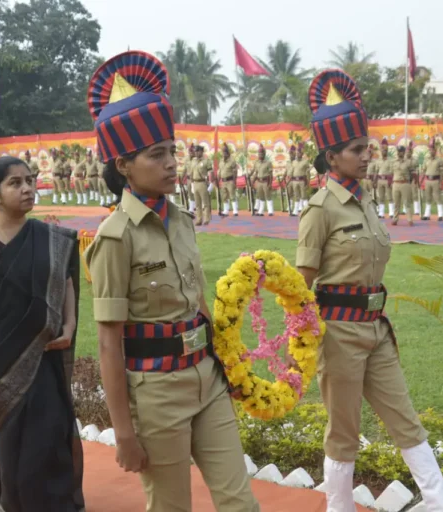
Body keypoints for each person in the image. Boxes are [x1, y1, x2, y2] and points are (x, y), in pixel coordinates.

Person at [84, 50, 259, 512]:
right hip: (156, 394)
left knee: (241, 503)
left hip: (207, 379)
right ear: (124, 165)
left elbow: (197, 300)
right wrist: (123, 432)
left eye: (171, 152)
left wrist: (230, 366)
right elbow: (108, 342)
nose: (170, 164)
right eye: (156, 155)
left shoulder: (181, 219)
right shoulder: (114, 238)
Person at [297, 68, 443, 512]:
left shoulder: (365, 199)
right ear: (332, 157)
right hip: (339, 334)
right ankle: (339, 507)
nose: (367, 156)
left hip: (376, 330)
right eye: (356, 149)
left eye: (367, 147)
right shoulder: (319, 210)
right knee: (343, 431)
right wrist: (306, 340)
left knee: (406, 419)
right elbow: (299, 288)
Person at [0, 156, 85, 512]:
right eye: (16, 183)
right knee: (14, 448)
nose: (27, 189)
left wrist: (70, 323)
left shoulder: (49, 238)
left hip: (45, 360)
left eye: (30, 180)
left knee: (51, 439)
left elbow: (66, 278)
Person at [422, 139, 443, 221]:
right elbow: (424, 170)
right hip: (428, 180)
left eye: (432, 150)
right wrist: (421, 181)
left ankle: (440, 215)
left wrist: (441, 182)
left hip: (436, 180)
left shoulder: (439, 160)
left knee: (437, 197)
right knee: (428, 198)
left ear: (435, 151)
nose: (431, 151)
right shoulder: (426, 159)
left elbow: (441, 172)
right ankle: (427, 214)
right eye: (430, 149)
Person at [391, 145, 414, 226]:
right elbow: (391, 173)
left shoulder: (408, 162)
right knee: (396, 203)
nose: (399, 153)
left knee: (407, 203)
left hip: (405, 183)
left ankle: (409, 219)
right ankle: (395, 219)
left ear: (403, 152)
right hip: (396, 183)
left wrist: (408, 181)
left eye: (400, 151)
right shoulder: (394, 162)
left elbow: (412, 174)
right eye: (398, 151)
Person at [250, 144, 274, 216]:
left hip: (266, 181)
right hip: (259, 182)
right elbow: (254, 172)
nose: (260, 155)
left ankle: (270, 211)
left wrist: (270, 184)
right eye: (259, 153)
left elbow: (270, 174)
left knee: (268, 196)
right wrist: (250, 176)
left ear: (264, 154)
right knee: (261, 197)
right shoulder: (256, 162)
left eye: (262, 153)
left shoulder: (268, 163)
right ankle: (261, 211)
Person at [192, 144, 212, 226]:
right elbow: (191, 172)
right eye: (195, 151)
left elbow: (210, 172)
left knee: (205, 203)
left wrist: (211, 183)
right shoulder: (193, 161)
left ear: (201, 151)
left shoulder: (206, 161)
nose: (196, 153)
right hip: (195, 182)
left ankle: (206, 219)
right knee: (197, 203)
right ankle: (199, 219)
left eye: (198, 151)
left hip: (202, 182)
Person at [375, 137, 393, 218]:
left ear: (387, 151)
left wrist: (390, 181)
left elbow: (392, 171)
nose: (384, 151)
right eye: (382, 150)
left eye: (385, 150)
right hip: (379, 180)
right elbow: (376, 171)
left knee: (389, 196)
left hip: (387, 180)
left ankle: (391, 213)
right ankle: (381, 213)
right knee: (381, 197)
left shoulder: (390, 160)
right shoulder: (378, 160)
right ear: (381, 151)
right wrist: (374, 181)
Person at [219, 143, 239, 217]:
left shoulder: (232, 161)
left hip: (230, 180)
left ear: (228, 153)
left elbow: (235, 172)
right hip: (223, 181)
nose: (224, 154)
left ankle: (235, 210)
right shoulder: (221, 161)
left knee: (232, 195)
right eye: (223, 152)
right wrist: (218, 179)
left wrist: (234, 181)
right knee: (224, 196)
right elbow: (220, 171)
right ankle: (226, 210)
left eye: (225, 152)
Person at [292, 143, 311, 215]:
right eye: (296, 153)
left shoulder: (305, 161)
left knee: (304, 196)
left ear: (301, 154)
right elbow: (292, 171)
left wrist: (308, 182)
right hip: (294, 181)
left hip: (302, 180)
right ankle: (295, 211)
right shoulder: (293, 162)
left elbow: (308, 173)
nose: (297, 154)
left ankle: (306, 211)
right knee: (296, 196)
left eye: (298, 153)